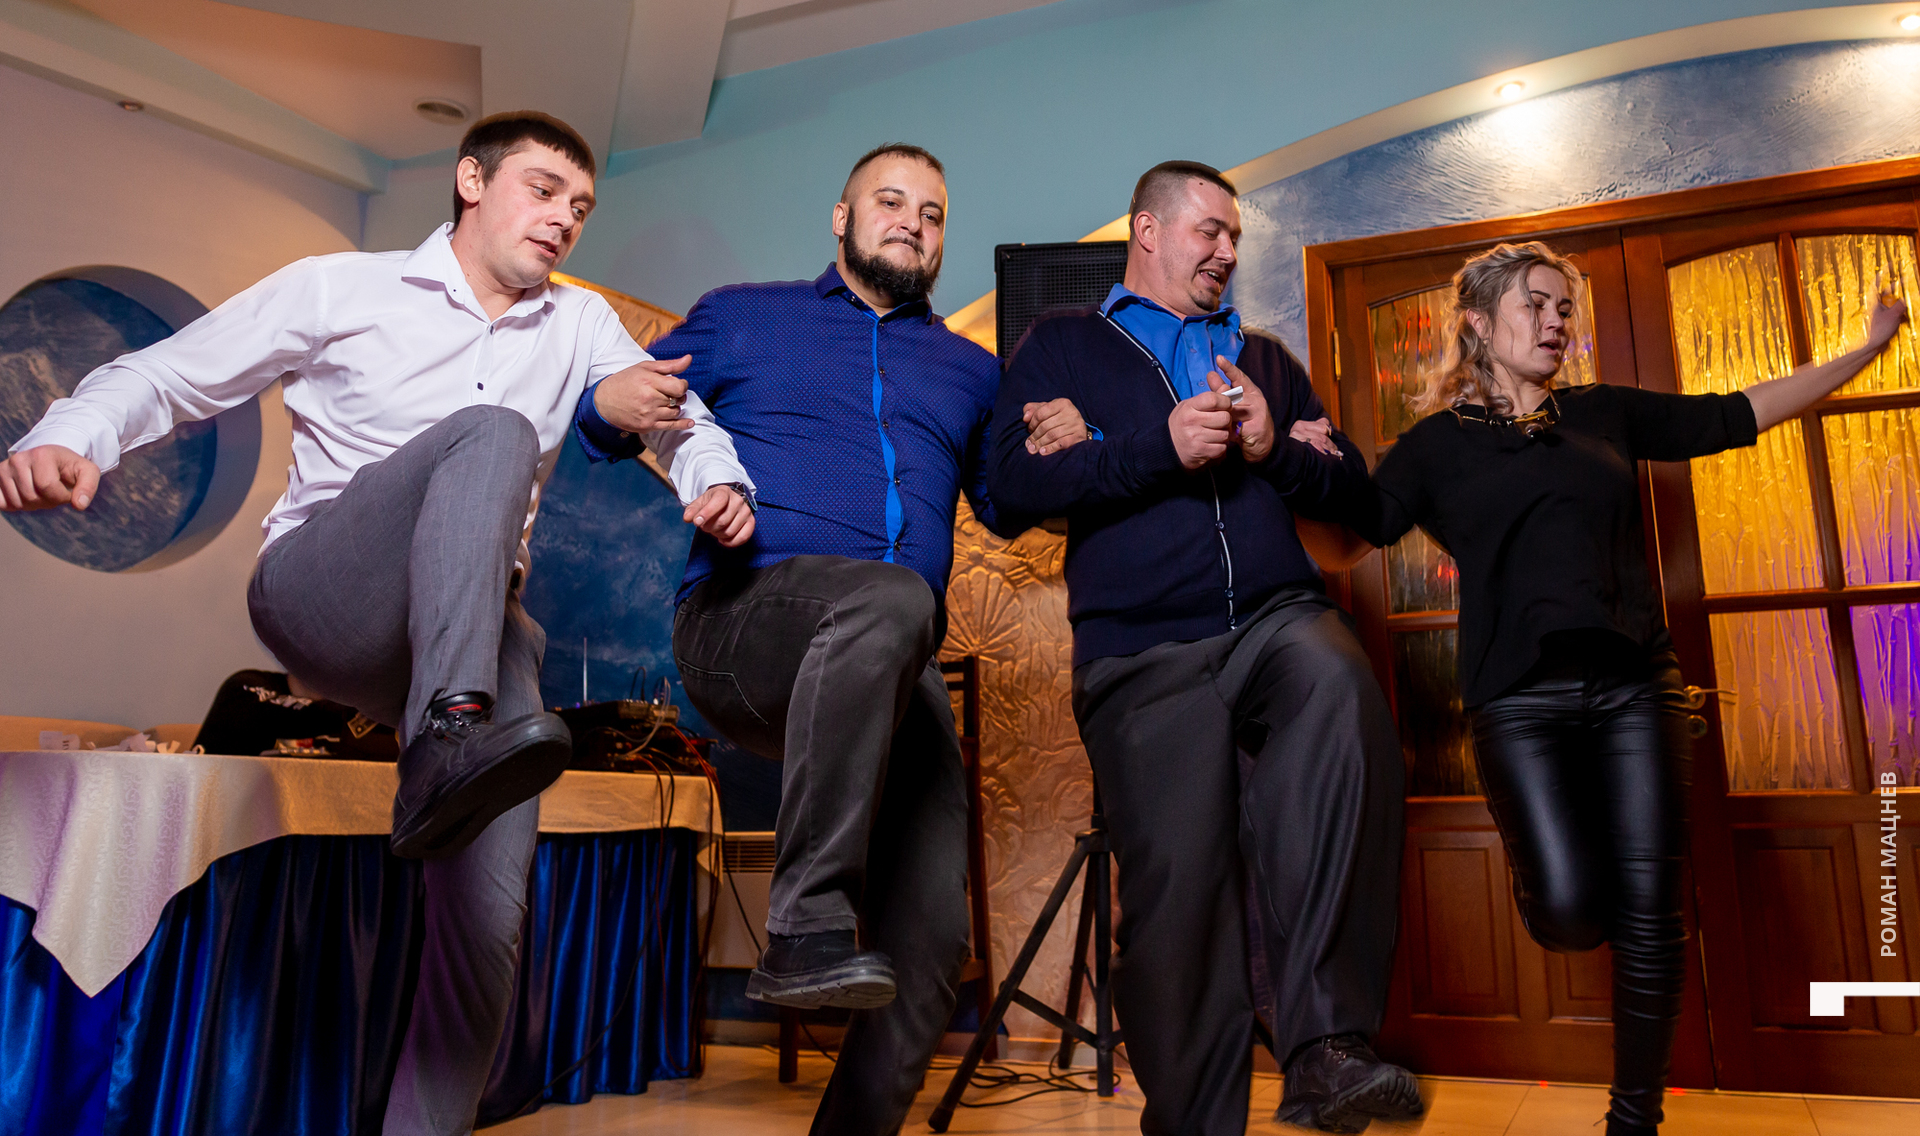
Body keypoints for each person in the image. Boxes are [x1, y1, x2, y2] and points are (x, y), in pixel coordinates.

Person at [0, 111, 755, 1136]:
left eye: (580, 207)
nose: (564, 218)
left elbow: (678, 414)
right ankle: (451, 734)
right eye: (542, 190)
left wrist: (714, 478)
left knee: (488, 927)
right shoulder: (341, 286)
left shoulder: (580, 323)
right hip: (327, 594)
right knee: (492, 431)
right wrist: (73, 435)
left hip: (478, 632)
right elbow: (170, 373)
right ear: (471, 180)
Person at [1294, 240, 1909, 1136]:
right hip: (1518, 704)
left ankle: (1633, 1121)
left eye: (1564, 308)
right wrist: (1299, 473)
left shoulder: (1604, 414)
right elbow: (1344, 545)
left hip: (1637, 689)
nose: (1556, 322)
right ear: (1479, 322)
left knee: (1653, 913)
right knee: (1574, 913)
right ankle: (1560, 895)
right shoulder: (1433, 449)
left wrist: (1864, 351)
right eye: (1536, 304)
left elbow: (1739, 413)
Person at [573, 142, 1083, 1136]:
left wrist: (1065, 451)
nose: (913, 224)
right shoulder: (742, 315)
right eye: (890, 202)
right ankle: (805, 923)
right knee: (891, 598)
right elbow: (615, 420)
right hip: (740, 628)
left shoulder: (971, 371)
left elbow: (1012, 507)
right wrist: (605, 402)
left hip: (893, 660)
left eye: (932, 214)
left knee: (931, 944)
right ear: (841, 218)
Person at [987, 160, 1422, 1136]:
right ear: (1146, 229)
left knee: (1337, 682)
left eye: (1235, 236)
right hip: (1142, 651)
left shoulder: (1263, 358)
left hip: (1273, 618)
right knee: (1180, 900)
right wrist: (1154, 446)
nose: (1227, 250)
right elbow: (1007, 489)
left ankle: (1327, 1047)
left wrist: (1279, 450)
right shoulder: (1062, 345)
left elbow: (1360, 506)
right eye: (1208, 230)